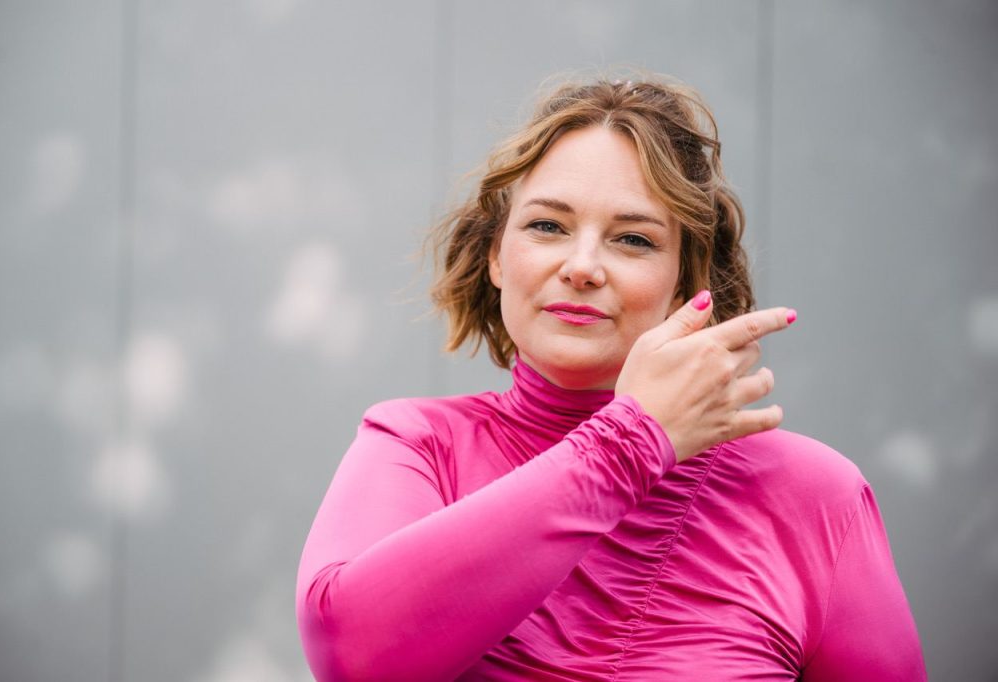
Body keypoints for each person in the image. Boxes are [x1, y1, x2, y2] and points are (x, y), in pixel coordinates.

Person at [295, 75, 927, 681]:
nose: (582, 266)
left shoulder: (816, 496)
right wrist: (629, 445)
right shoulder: (416, 445)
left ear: (685, 280)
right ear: (495, 257)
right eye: (548, 226)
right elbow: (352, 655)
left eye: (632, 240)